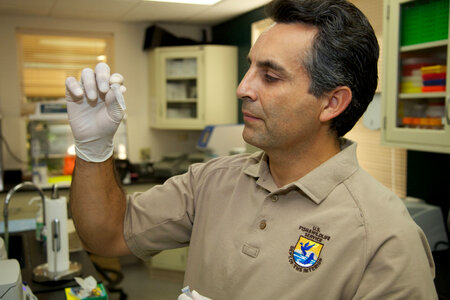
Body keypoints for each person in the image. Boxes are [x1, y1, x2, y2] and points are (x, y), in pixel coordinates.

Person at [65, 0, 438, 299]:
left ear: (331, 103)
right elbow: (107, 235)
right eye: (250, 69)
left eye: (270, 76)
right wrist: (94, 148)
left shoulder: (385, 236)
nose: (243, 88)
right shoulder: (211, 181)